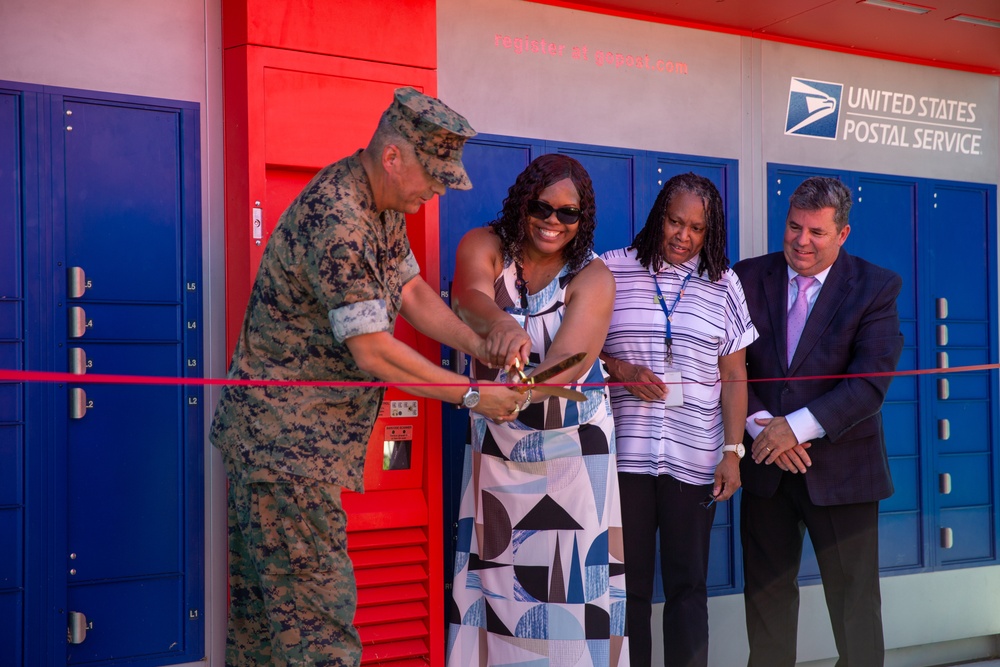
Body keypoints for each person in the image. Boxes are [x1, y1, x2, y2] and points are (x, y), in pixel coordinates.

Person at [209, 87, 526, 667]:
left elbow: (409, 292)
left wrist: (479, 343)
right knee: (320, 631)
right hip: (285, 453)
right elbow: (374, 352)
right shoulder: (339, 216)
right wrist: (473, 394)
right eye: (432, 177)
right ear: (393, 157)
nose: (436, 191)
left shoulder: (380, 206)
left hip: (289, 451)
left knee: (264, 631)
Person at [446, 153, 629, 666]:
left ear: (582, 218)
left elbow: (569, 364)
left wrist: (519, 391)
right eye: (541, 207)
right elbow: (468, 298)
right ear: (521, 203)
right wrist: (501, 325)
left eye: (568, 213)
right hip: (498, 446)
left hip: (573, 451)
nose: (553, 221)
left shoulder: (593, 275)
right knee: (496, 571)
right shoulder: (484, 245)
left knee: (570, 581)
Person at [733, 176, 904, 667]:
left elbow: (869, 383)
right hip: (766, 466)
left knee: (855, 608)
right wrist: (765, 426)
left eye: (816, 232)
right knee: (766, 601)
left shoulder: (876, 286)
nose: (801, 241)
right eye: (793, 227)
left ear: (842, 234)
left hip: (845, 473)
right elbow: (728, 365)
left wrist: (796, 427)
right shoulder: (746, 277)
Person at [599, 172, 757, 667]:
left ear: (710, 234)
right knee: (630, 587)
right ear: (657, 217)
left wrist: (733, 452)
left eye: (696, 228)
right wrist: (620, 369)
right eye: (674, 221)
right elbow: (581, 350)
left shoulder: (724, 285)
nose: (683, 236)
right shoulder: (610, 270)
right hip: (626, 459)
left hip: (694, 458)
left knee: (688, 585)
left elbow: (733, 375)